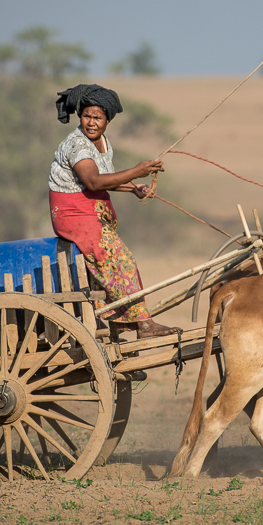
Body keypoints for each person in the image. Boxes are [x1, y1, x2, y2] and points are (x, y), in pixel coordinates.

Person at [49, 84, 178, 339]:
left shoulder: (103, 143)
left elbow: (106, 179)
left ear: (108, 120)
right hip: (73, 215)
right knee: (122, 260)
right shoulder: (78, 146)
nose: (92, 123)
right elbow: (94, 182)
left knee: (114, 264)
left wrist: (133, 188)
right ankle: (143, 325)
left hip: (92, 214)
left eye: (97, 118)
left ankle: (118, 325)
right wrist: (137, 171)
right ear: (80, 117)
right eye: (87, 116)